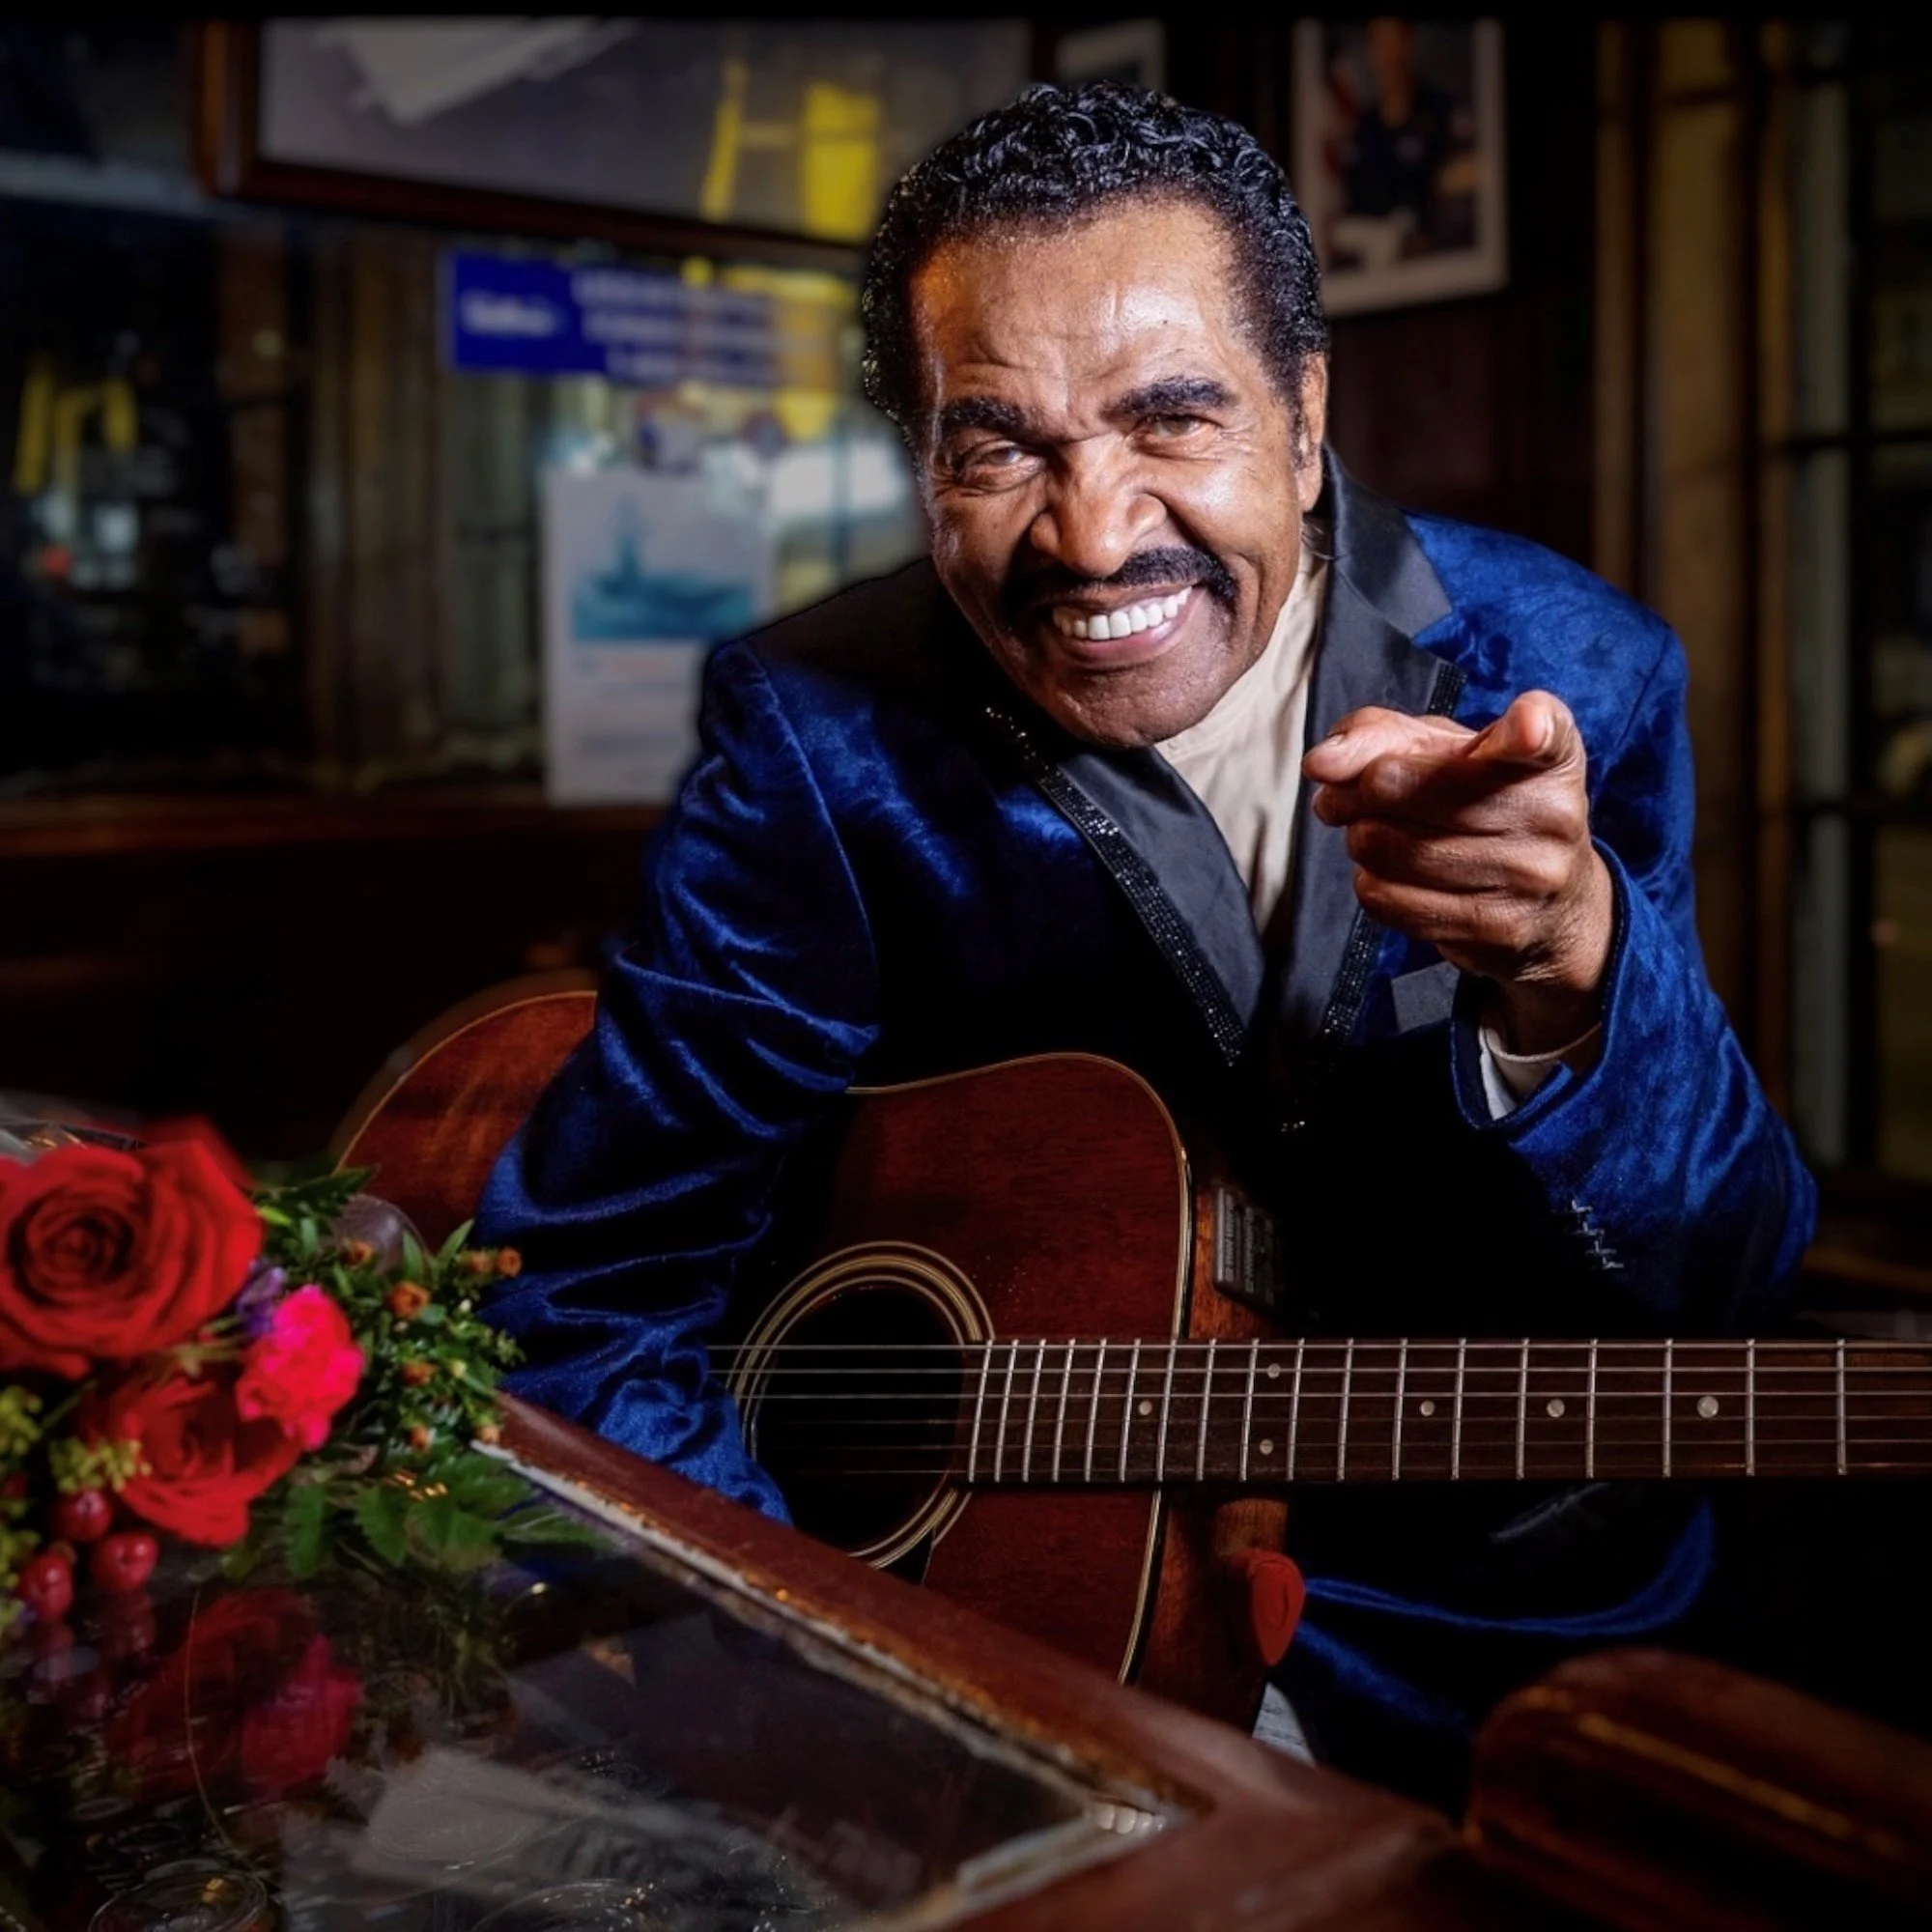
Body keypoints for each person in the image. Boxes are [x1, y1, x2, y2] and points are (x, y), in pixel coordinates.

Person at [477, 83, 1815, 1805]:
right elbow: (591, 1297)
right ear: (924, 463)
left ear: (1307, 414)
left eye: (1171, 421)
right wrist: (839, 1701)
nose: (1094, 534)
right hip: (993, 1644)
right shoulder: (817, 731)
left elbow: (1730, 1272)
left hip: (1503, 1648)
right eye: (999, 445)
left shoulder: (1576, 662)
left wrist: (1579, 968)